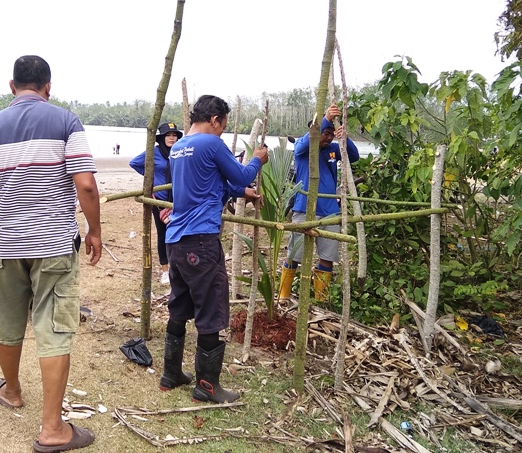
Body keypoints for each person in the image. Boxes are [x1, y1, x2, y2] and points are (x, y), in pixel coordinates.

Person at [0, 55, 101, 453]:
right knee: (54, 328)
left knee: (5, 320)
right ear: (47, 86)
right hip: (54, 244)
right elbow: (87, 185)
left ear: (12, 86)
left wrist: (6, 179)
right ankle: (52, 428)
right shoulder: (65, 121)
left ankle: (11, 390)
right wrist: (94, 230)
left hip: (6, 245)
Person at [159, 95, 268, 403]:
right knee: (211, 308)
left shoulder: (178, 148)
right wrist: (258, 158)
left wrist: (244, 192)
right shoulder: (211, 143)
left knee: (179, 305)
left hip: (177, 240)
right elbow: (242, 174)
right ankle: (208, 385)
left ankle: (171, 373)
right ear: (215, 119)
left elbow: (214, 183)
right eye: (223, 125)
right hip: (202, 241)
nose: (222, 131)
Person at [278, 103, 360, 302]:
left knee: (328, 257)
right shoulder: (303, 147)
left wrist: (345, 139)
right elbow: (304, 144)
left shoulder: (334, 149)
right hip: (303, 209)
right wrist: (326, 119)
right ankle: (283, 296)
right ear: (315, 131)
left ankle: (320, 299)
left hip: (330, 211)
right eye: (325, 133)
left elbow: (354, 157)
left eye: (332, 134)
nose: (329, 137)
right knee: (294, 255)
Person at [129, 122, 183, 285]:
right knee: (163, 234)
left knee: (178, 232)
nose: (172, 138)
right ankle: (165, 270)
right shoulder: (154, 152)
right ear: (161, 138)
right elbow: (134, 163)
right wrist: (150, 177)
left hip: (178, 198)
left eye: (174, 135)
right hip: (159, 200)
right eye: (168, 135)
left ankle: (178, 267)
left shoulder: (180, 152)